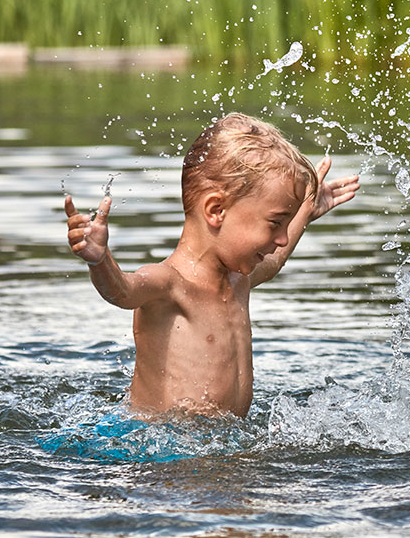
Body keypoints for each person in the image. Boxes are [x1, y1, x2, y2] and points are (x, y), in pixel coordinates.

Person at [63, 112, 359, 417]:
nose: (283, 239)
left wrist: (304, 214)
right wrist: (100, 260)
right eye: (275, 223)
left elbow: (275, 261)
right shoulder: (169, 284)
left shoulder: (238, 279)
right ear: (216, 210)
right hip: (163, 455)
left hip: (223, 444)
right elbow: (122, 291)